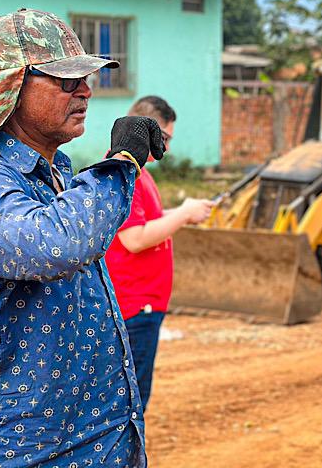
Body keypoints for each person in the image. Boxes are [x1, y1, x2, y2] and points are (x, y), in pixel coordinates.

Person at [0, 8, 166, 468]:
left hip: (95, 443)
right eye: (65, 80)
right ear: (10, 89)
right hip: (19, 451)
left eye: (85, 78)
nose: (84, 90)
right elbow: (54, 245)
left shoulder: (56, 173)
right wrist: (123, 161)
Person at [105, 96, 215, 410]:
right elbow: (134, 238)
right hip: (134, 307)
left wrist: (183, 211)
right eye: (162, 138)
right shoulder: (125, 172)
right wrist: (182, 215)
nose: (164, 147)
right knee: (130, 404)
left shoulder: (141, 172)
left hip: (144, 305)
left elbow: (145, 221)